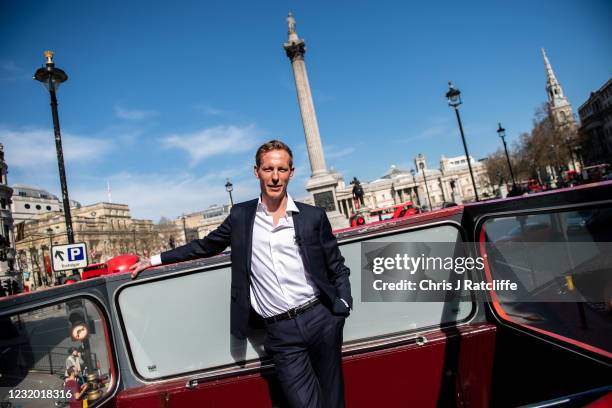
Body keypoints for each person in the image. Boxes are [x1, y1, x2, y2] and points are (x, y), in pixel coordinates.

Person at [131, 140, 352, 408]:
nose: (275, 177)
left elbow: (336, 266)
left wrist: (341, 307)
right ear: (256, 171)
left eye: (282, 169)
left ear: (291, 173)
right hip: (281, 332)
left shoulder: (312, 217)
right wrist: (154, 259)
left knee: (333, 400)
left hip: (320, 318)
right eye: (268, 169)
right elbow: (206, 245)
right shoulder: (241, 216)